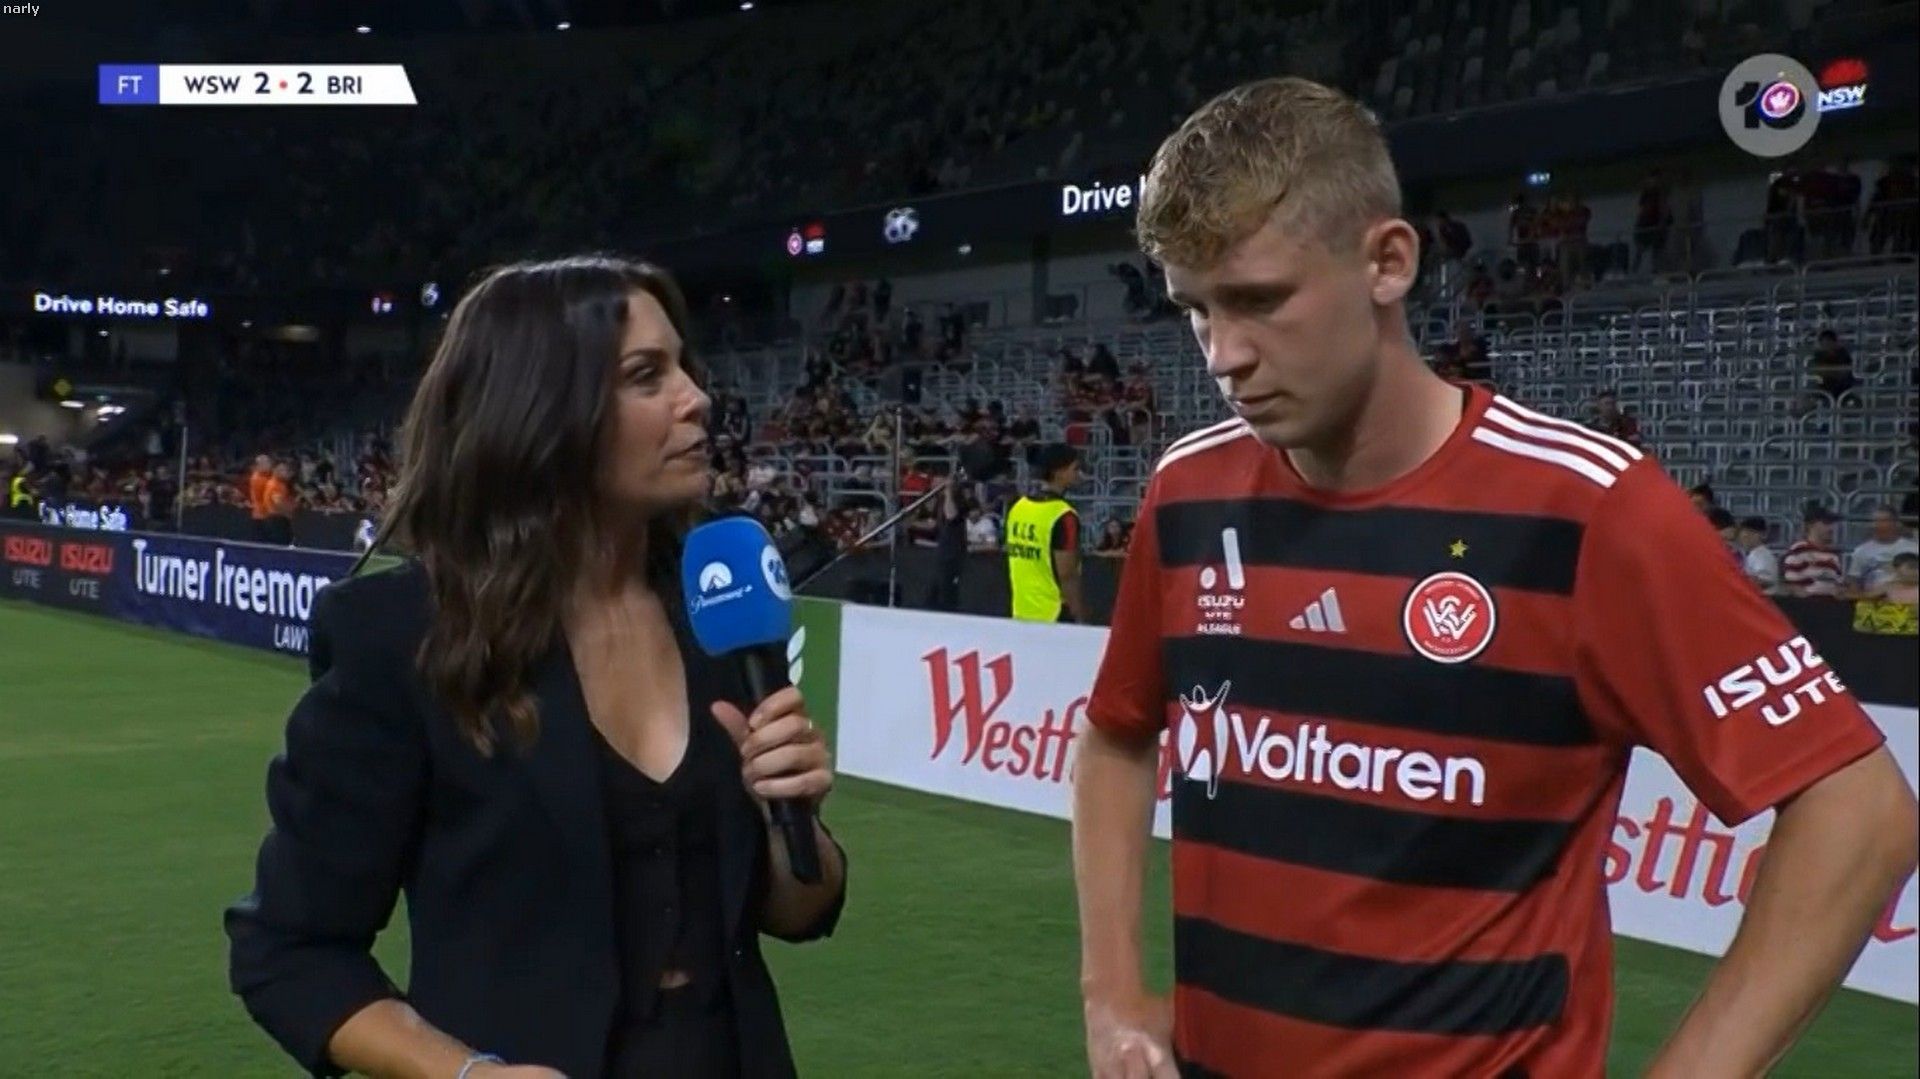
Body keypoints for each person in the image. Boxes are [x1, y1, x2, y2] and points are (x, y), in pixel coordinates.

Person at [1073, 76, 1917, 1079]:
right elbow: (1116, 734)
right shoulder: (1188, 490)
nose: (1224, 355)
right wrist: (1111, 993)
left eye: (1259, 300)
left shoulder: (1586, 508)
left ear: (1388, 261)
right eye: (1196, 310)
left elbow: (1857, 809)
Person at [225, 257, 848, 1079]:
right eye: (646, 376)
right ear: (542, 410)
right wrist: (468, 1074)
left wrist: (790, 821)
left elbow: (800, 909)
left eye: (684, 366)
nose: (697, 397)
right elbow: (289, 949)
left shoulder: (714, 606)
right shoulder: (400, 638)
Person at [1004, 442, 1085, 623]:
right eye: (1075, 468)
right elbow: (1067, 574)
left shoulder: (1018, 507)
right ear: (1059, 472)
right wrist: (1078, 615)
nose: (1079, 474)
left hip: (1021, 610)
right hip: (1054, 614)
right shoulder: (1064, 516)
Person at [1736, 516, 1779, 592]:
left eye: (1750, 533)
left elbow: (1765, 582)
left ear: (1763, 535)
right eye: (1743, 533)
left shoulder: (1763, 556)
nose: (1745, 536)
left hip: (1763, 597)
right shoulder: (1753, 554)